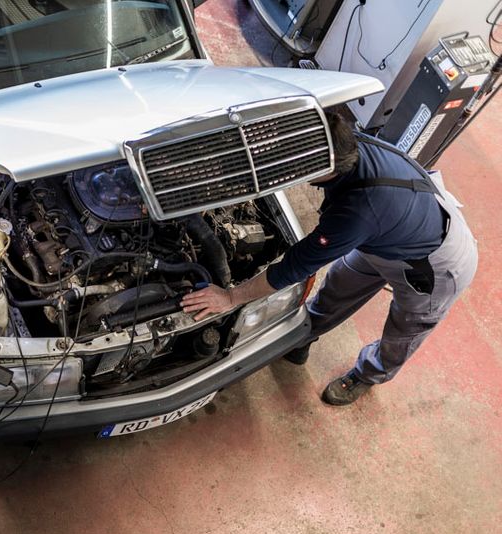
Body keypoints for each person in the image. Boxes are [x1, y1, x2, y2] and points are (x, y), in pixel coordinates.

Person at [181, 112, 478, 406]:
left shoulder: (356, 213)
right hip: (392, 232)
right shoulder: (346, 142)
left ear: (326, 168)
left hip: (433, 266)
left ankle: (369, 373)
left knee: (403, 331)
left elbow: (294, 266)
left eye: (301, 165)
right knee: (338, 285)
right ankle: (304, 336)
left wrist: (232, 296)